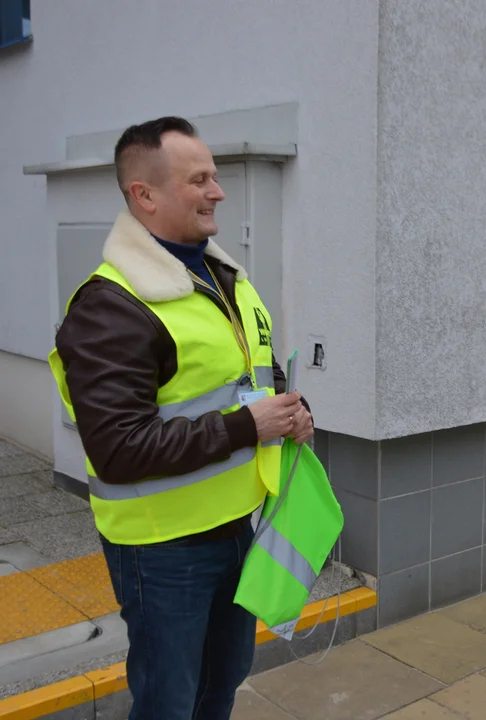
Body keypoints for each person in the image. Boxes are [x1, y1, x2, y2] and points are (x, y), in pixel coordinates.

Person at [49, 116, 313, 720]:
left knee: (221, 685)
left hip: (233, 527)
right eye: (199, 179)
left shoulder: (222, 277)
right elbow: (117, 447)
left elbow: (253, 376)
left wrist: (293, 411)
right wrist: (251, 428)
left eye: (216, 177)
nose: (218, 191)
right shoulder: (110, 307)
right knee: (169, 702)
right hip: (161, 548)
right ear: (144, 194)